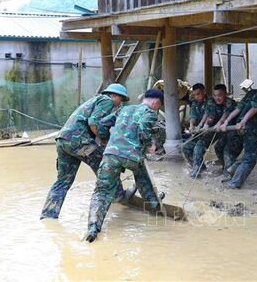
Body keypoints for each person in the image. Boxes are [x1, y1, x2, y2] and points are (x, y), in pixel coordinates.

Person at [85, 89, 166, 242]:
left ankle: (93, 228)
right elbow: (142, 129)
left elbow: (101, 123)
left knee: (101, 193)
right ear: (156, 103)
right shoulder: (150, 113)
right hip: (133, 156)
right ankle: (157, 211)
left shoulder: (124, 109)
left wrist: (107, 140)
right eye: (159, 106)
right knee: (144, 182)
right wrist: (151, 145)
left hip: (111, 155)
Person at [40, 84, 130, 220]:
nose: (119, 104)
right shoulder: (107, 100)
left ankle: (48, 216)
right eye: (120, 100)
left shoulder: (94, 100)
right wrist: (104, 139)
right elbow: (93, 122)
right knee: (105, 165)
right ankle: (118, 195)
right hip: (79, 140)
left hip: (63, 140)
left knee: (63, 181)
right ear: (114, 95)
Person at [219, 74, 257, 189]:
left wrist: (227, 122)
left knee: (256, 151)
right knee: (250, 157)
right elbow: (255, 108)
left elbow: (238, 108)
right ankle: (234, 184)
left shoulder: (252, 92)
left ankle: (233, 169)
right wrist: (243, 122)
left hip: (239, 126)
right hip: (248, 127)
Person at [190, 84, 237, 178]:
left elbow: (225, 116)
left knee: (225, 150)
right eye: (215, 95)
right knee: (199, 146)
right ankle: (198, 171)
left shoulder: (230, 102)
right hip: (216, 129)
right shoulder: (211, 101)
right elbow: (210, 114)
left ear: (226, 93)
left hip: (231, 130)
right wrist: (204, 125)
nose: (217, 98)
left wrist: (218, 124)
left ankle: (227, 173)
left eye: (220, 95)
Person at [182, 83, 207, 167]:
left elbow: (209, 116)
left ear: (204, 91)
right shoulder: (195, 103)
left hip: (211, 129)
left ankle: (196, 173)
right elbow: (193, 116)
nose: (196, 97)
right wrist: (191, 126)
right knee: (185, 147)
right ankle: (199, 168)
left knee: (198, 149)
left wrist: (200, 126)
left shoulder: (210, 101)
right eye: (194, 95)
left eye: (198, 94)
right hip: (199, 130)